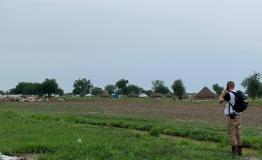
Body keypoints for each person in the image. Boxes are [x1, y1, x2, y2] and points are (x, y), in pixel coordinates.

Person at [219, 81, 242, 156]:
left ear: (228, 86)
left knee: (232, 133)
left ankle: (234, 152)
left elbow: (220, 101)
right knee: (238, 133)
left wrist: (223, 93)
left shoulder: (229, 94)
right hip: (238, 115)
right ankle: (240, 151)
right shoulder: (238, 93)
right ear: (234, 86)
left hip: (231, 117)